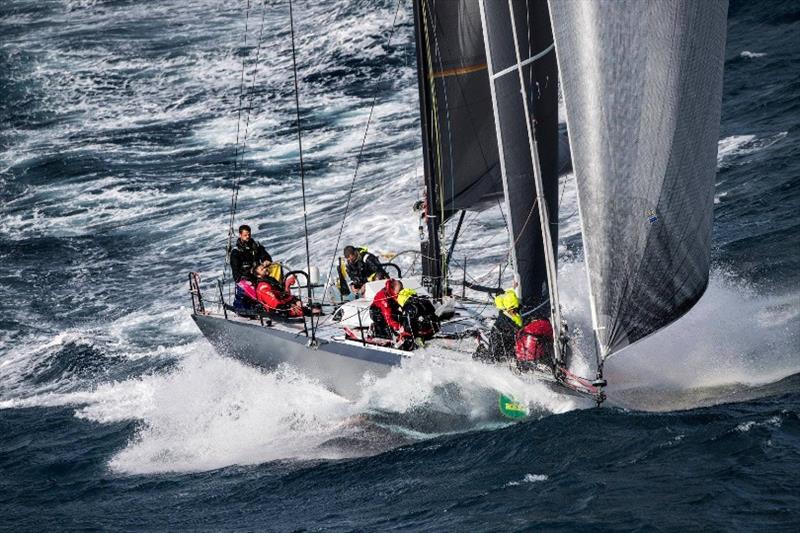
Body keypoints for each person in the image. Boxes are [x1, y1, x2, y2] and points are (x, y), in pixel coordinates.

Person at [474, 289, 524, 363]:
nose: (515, 311)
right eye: (513, 310)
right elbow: (515, 327)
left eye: (516, 309)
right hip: (498, 338)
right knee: (492, 358)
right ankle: (480, 352)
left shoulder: (513, 313)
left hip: (508, 339)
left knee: (507, 353)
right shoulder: (505, 317)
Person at [369, 278, 408, 346]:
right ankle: (383, 334)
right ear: (393, 289)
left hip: (390, 310)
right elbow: (388, 316)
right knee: (387, 320)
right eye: (399, 291)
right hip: (378, 313)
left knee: (401, 317)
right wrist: (398, 326)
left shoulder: (392, 294)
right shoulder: (384, 297)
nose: (400, 292)